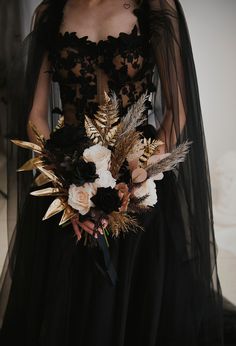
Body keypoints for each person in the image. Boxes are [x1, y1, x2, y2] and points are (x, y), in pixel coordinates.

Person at [0, 0, 234, 345]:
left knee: (142, 303)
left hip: (139, 180)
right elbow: (36, 116)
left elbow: (178, 108)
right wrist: (66, 190)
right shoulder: (52, 10)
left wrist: (140, 176)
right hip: (70, 178)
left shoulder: (155, 6)